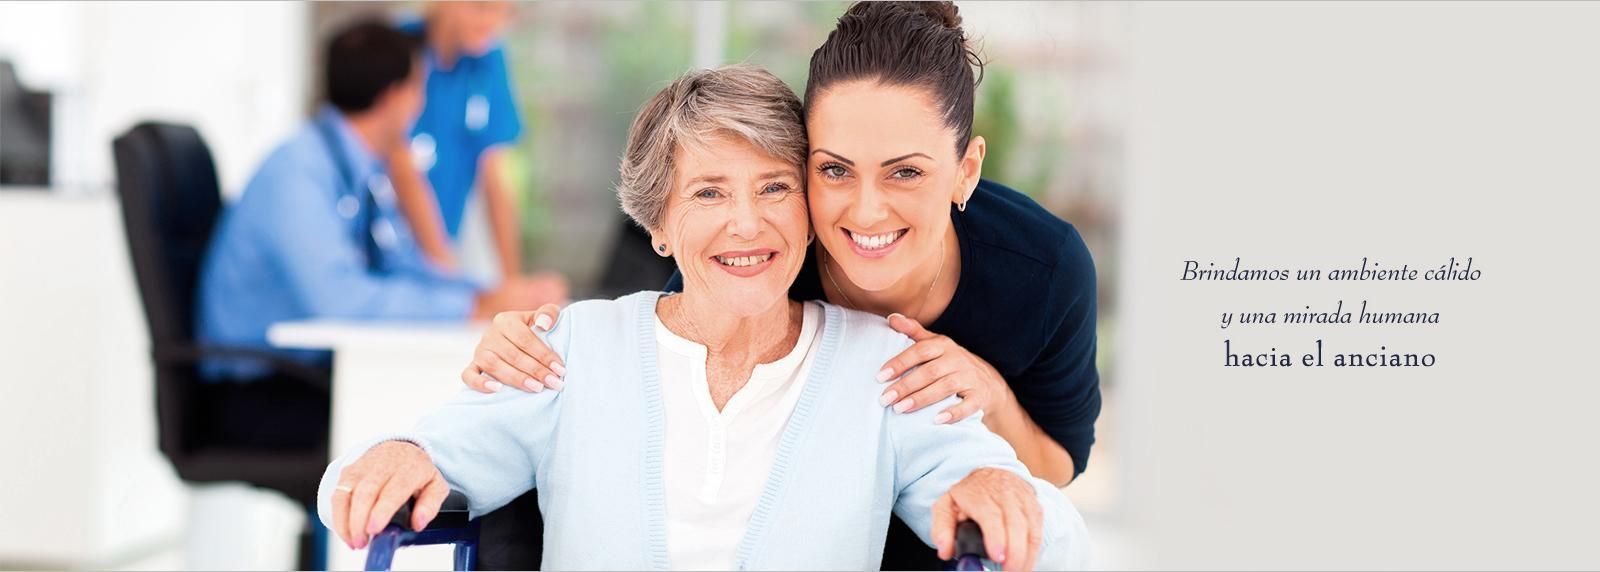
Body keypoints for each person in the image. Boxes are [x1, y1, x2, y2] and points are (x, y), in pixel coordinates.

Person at [318, 65, 1088, 571]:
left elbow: (1063, 543)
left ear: (812, 212)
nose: (747, 225)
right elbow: (357, 485)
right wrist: (397, 452)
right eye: (709, 193)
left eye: (775, 189)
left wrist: (996, 484)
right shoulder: (572, 350)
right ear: (658, 225)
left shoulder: (880, 366)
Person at [195, 19, 563, 381]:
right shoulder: (297, 173)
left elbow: (398, 264)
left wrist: (490, 295)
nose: (421, 103)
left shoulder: (357, 168)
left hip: (303, 371)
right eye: (420, 87)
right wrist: (471, 307)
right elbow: (341, 300)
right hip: (257, 384)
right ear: (394, 96)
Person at [388, 1, 525, 280]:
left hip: (445, 248)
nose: (492, 21)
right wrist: (445, 270)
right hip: (392, 248)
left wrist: (513, 282)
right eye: (481, 6)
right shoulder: (398, 47)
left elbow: (495, 175)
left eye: (504, 11)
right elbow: (400, 165)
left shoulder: (488, 61)